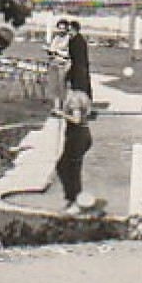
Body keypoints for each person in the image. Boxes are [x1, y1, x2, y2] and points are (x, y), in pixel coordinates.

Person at [55, 86, 94, 215]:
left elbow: (76, 120)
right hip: (81, 135)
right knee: (68, 167)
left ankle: (74, 200)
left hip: (77, 137)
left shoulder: (74, 99)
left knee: (67, 167)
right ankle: (73, 198)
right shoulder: (79, 96)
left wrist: (61, 114)